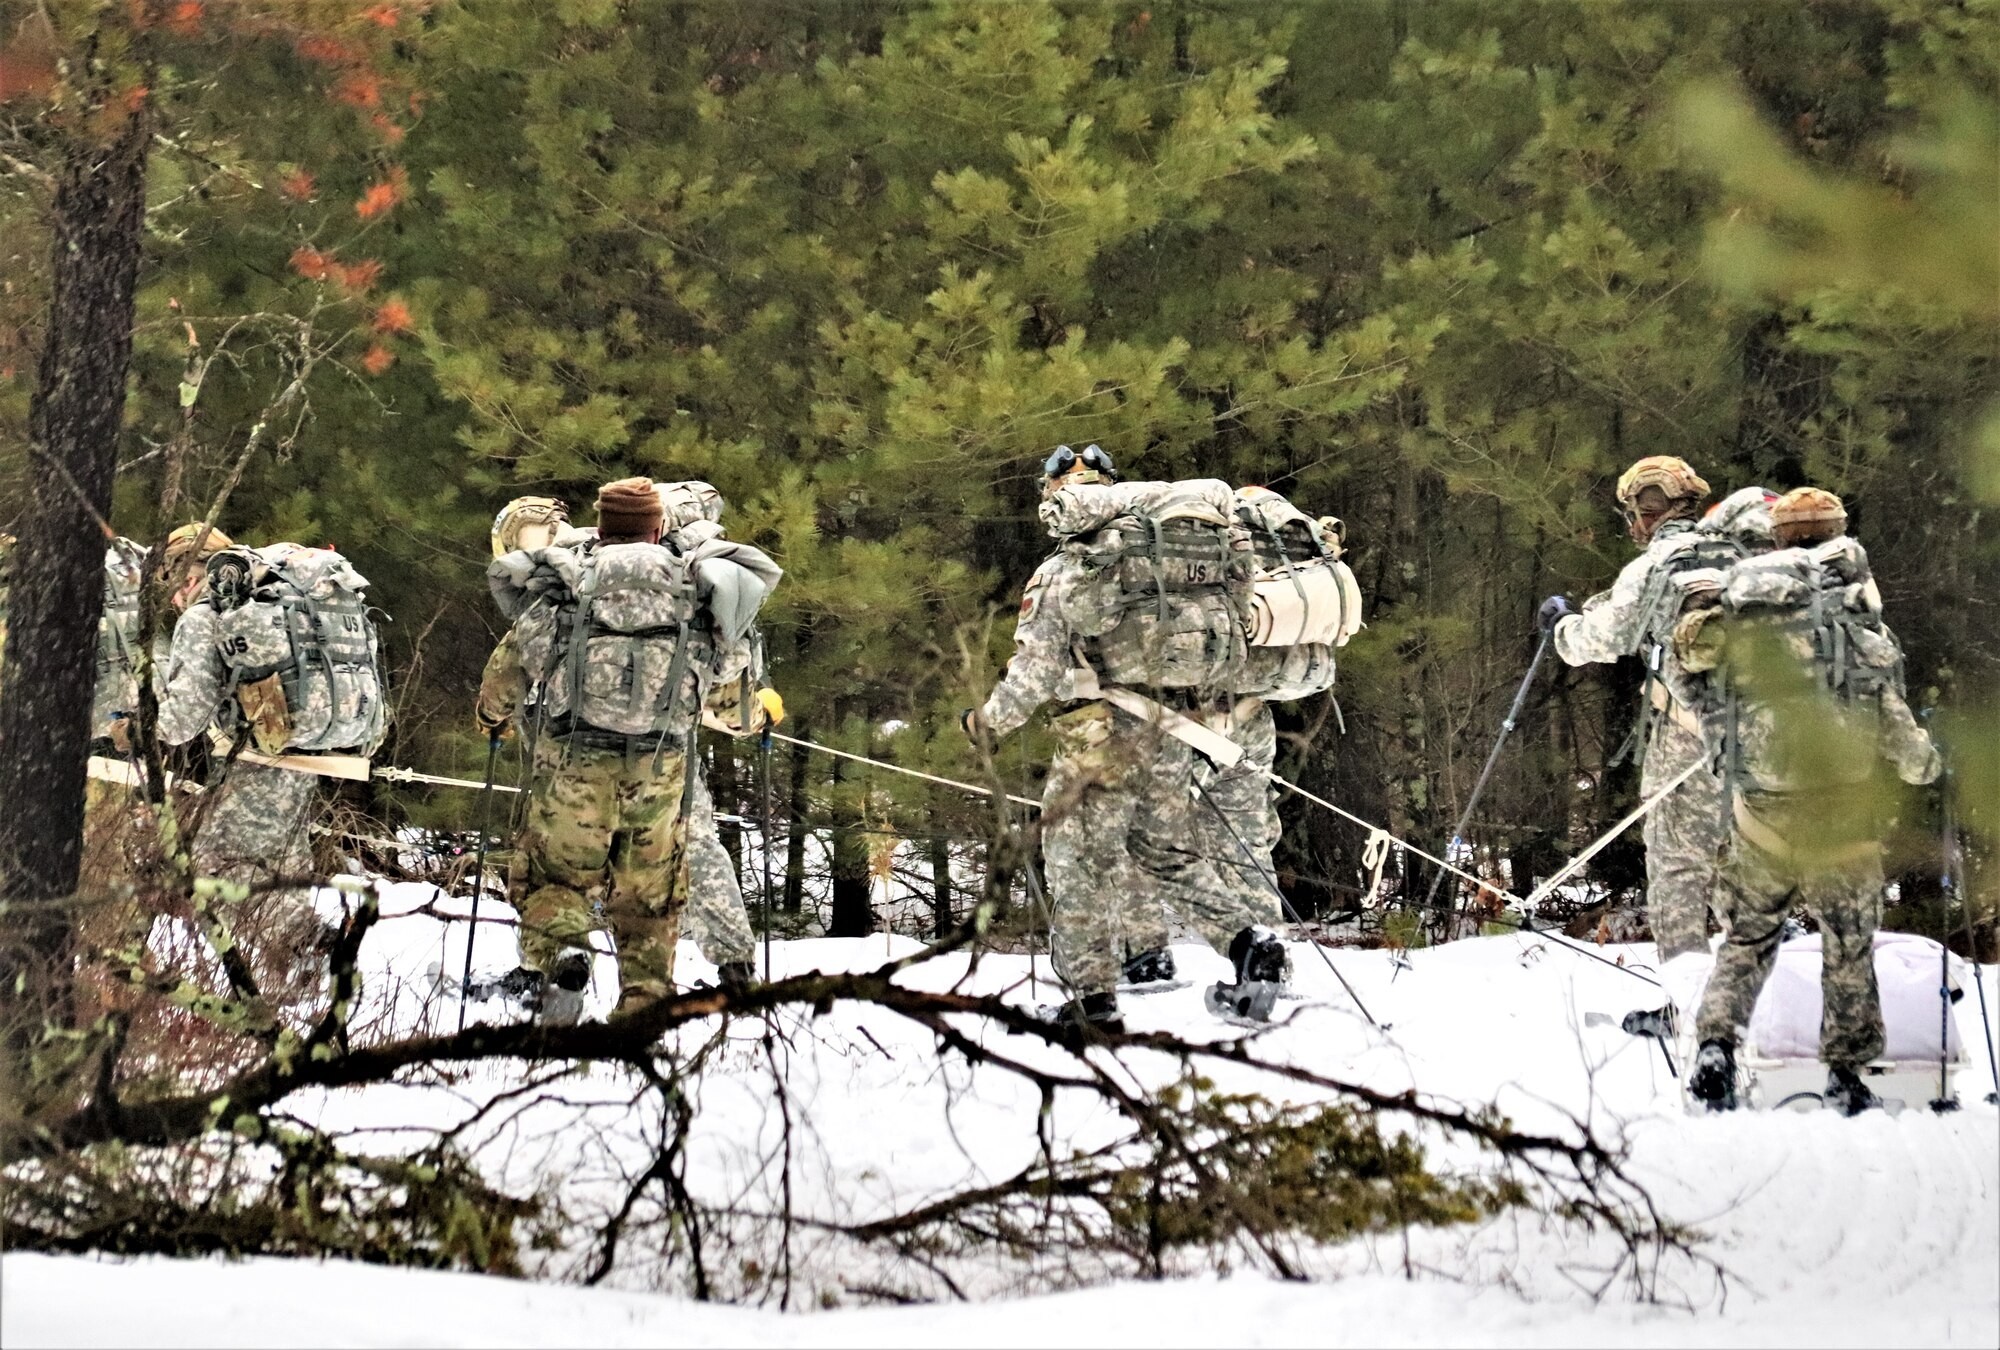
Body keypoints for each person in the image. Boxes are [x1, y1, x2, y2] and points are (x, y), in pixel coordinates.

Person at [966, 445, 1285, 1035]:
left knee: (1077, 863)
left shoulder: (1068, 568)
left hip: (1097, 735)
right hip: (1171, 729)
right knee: (1164, 853)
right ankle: (1249, 946)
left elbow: (1034, 670)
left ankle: (1092, 1003)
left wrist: (986, 723)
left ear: (1057, 500)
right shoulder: (1166, 558)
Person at [1674, 487, 1940, 1115]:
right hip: (1840, 814)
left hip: (1758, 812)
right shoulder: (1852, 622)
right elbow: (1903, 736)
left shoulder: (1738, 613)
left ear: (1777, 536)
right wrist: (1928, 764)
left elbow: (1693, 684)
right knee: (1847, 942)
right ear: (1838, 532)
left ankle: (1716, 1044)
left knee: (1746, 939)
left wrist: (1721, 736)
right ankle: (1846, 1074)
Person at [478, 478, 779, 1023]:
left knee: (554, 881)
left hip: (572, 766)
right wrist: (760, 713)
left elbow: (508, 672)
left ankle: (566, 948)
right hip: (662, 771)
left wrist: (491, 718)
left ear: (600, 524)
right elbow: (732, 705)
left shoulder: (567, 579)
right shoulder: (696, 586)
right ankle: (643, 1013)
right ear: (660, 525)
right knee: (650, 902)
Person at [1541, 455, 1736, 961]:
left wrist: (1561, 627)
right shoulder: (1744, 555)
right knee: (1744, 865)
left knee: (1677, 866)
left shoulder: (1655, 564)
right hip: (1762, 735)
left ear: (1645, 513)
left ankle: (1687, 1001)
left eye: (1632, 513)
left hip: (1689, 733)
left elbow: (1599, 639)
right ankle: (1759, 994)